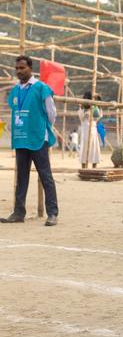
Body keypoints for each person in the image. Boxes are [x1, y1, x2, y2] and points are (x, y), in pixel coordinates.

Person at [1, 55, 59, 226]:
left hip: (38, 138)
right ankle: (18, 213)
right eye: (17, 68)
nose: (19, 71)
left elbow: (51, 114)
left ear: (30, 69)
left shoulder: (42, 88)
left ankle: (53, 213)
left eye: (22, 68)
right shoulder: (15, 90)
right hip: (21, 139)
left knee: (45, 176)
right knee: (22, 178)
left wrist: (39, 127)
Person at [78, 92, 102, 168]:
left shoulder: (95, 107)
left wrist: (95, 106)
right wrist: (86, 113)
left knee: (94, 146)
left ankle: (94, 166)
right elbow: (81, 116)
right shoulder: (83, 108)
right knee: (84, 147)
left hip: (93, 128)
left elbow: (98, 116)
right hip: (85, 129)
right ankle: (83, 166)